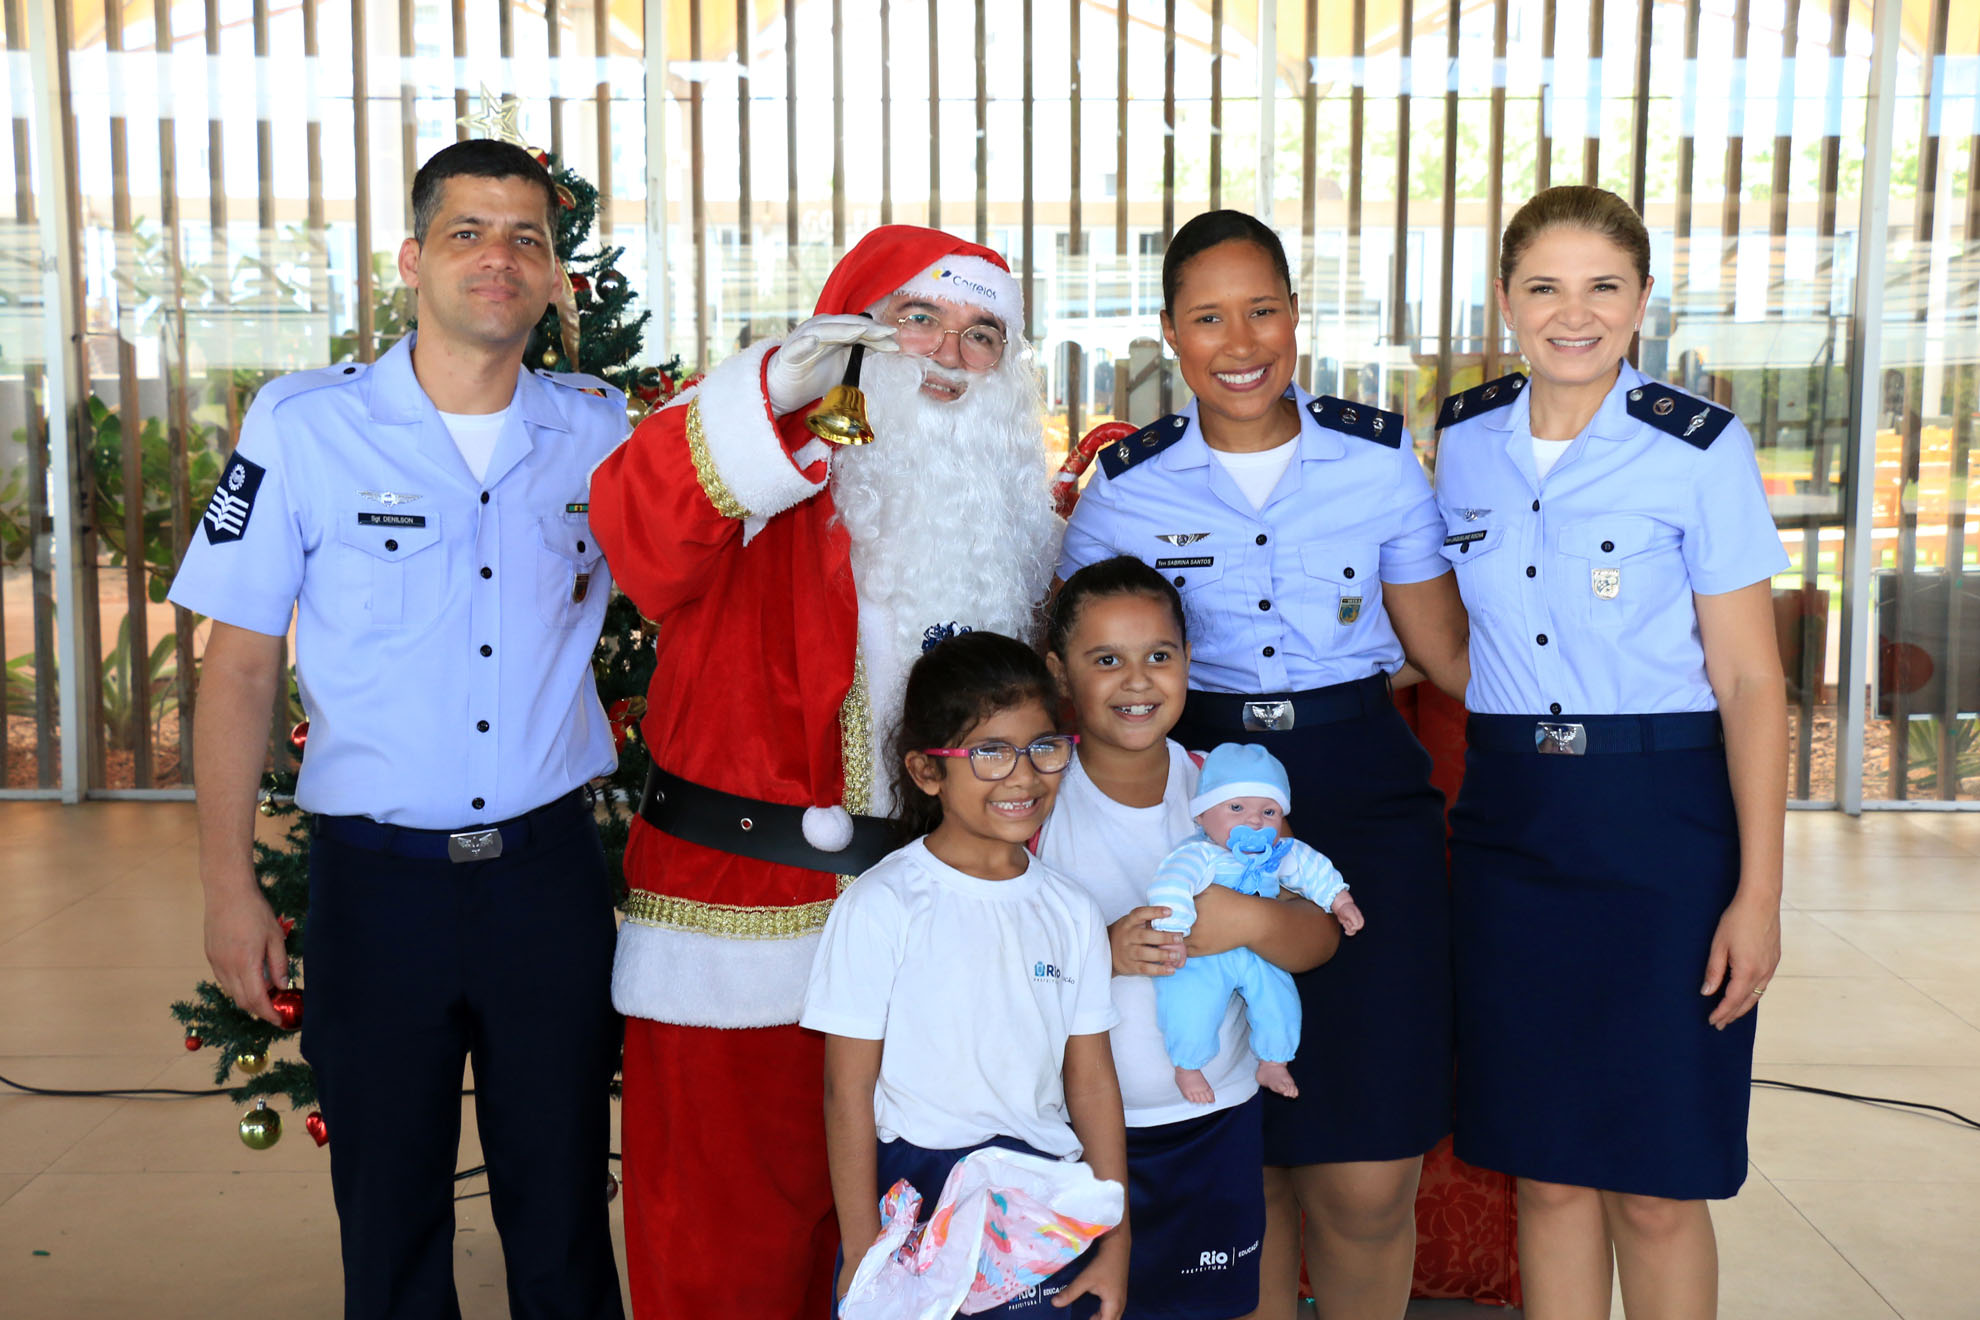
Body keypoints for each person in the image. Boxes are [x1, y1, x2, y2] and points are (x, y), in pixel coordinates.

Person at [171, 139, 628, 1319]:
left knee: (566, 1203)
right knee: (388, 1211)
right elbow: (241, 668)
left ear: (554, 278)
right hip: (376, 893)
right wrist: (230, 887)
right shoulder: (307, 427)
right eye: (469, 231)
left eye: (528, 237)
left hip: (548, 881)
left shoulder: (600, 433)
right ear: (412, 256)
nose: (500, 257)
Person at [587, 226, 1063, 1317]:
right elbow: (637, 527)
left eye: (982, 333)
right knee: (728, 1251)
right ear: (852, 335)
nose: (948, 353)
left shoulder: (1015, 527)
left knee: (916, 1251)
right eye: (918, 319)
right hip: (736, 935)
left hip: (934, 948)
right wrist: (764, 387)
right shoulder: (767, 474)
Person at [1057, 210, 1470, 1319]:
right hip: (1197, 801)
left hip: (1359, 791)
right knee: (1248, 1149)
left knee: (1370, 1168)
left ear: (1296, 316)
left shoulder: (1379, 460)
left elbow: (1449, 658)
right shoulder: (1128, 488)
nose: (1240, 340)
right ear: (1170, 335)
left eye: (1263, 309)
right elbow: (1094, 666)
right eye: (1208, 316)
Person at [1432, 184, 1787, 1318]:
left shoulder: (1696, 450)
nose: (1571, 314)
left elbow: (1749, 682)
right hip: (1514, 826)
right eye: (1543, 286)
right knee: (1547, 1172)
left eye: (1602, 288)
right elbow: (1451, 634)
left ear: (1641, 305)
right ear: (1505, 301)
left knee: (1657, 1184)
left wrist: (1760, 896)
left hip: (1663, 829)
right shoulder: (1465, 443)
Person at [1037, 556, 1342, 1320]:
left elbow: (1318, 939)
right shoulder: (1033, 796)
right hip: (1068, 1136)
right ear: (1060, 673)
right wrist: (1098, 953)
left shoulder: (1227, 790)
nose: (1136, 681)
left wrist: (1252, 921)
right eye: (1106, 660)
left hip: (1213, 1124)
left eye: (1159, 657)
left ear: (1189, 663)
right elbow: (988, 961)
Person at [802, 629, 1129, 1319]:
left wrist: (1114, 1242)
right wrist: (864, 1252)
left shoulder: (1070, 911)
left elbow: (1093, 1080)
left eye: (1043, 747)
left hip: (1037, 1203)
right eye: (988, 753)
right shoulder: (882, 905)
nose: (1023, 775)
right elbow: (846, 1089)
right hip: (913, 1192)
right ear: (926, 772)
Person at [1150, 742, 1363, 1105]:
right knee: (1189, 1003)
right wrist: (1173, 930)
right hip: (1205, 955)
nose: (1254, 821)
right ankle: (1188, 1064)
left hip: (1257, 951)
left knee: (1280, 999)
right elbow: (1171, 886)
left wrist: (1340, 900)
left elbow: (1312, 868)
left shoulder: (1278, 853)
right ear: (1201, 817)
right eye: (1236, 808)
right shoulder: (1199, 854)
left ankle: (1273, 1059)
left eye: (1268, 811)